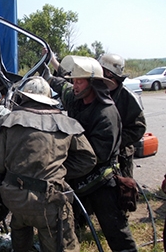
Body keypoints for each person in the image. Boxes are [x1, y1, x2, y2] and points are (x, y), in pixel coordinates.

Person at [0, 76, 96, 252]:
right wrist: (58, 170)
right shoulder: (68, 124)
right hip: (49, 201)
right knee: (60, 244)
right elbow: (88, 159)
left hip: (15, 199)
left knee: (20, 230)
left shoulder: (8, 121)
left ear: (24, 97)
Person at [46, 54, 138, 251]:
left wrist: (60, 168)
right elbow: (63, 87)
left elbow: (95, 157)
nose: (75, 85)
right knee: (70, 230)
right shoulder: (77, 99)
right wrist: (47, 78)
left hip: (102, 183)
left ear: (93, 83)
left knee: (117, 234)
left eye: (80, 81)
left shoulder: (106, 114)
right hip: (80, 180)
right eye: (75, 81)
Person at [98, 53, 146, 178]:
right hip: (100, 154)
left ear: (109, 74)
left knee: (123, 190)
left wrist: (115, 142)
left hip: (122, 156)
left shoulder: (128, 98)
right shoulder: (97, 93)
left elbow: (138, 128)